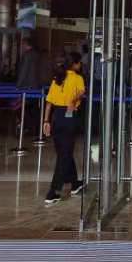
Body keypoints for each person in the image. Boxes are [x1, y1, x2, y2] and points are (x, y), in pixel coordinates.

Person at [43, 52, 86, 205]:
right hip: (69, 115)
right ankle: (53, 191)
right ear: (75, 64)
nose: (80, 65)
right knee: (64, 155)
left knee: (64, 152)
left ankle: (74, 183)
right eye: (79, 63)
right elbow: (81, 93)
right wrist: (74, 100)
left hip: (56, 117)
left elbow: (49, 102)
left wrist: (46, 121)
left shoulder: (58, 78)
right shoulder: (77, 78)